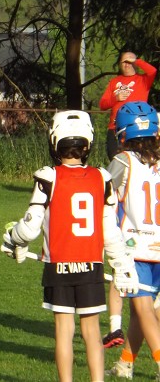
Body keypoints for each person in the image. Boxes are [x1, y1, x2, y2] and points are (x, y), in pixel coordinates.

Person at [1, 110, 138, 382]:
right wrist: (122, 264)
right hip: (91, 264)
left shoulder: (48, 177)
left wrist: (13, 238)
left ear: (55, 142)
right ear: (88, 144)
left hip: (58, 265)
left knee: (64, 331)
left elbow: (29, 227)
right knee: (92, 332)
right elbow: (110, 231)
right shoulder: (101, 178)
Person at [105, 102, 160, 379]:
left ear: (124, 133)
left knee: (144, 309)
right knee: (140, 310)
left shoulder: (123, 160)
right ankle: (125, 364)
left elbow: (102, 193)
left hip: (135, 247)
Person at [99, 51, 157, 161]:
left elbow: (152, 71)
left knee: (138, 160)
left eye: (130, 62)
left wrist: (137, 61)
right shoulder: (114, 81)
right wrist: (115, 98)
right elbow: (102, 104)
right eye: (124, 62)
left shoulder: (143, 80)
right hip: (115, 129)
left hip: (136, 128)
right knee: (116, 160)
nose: (127, 64)